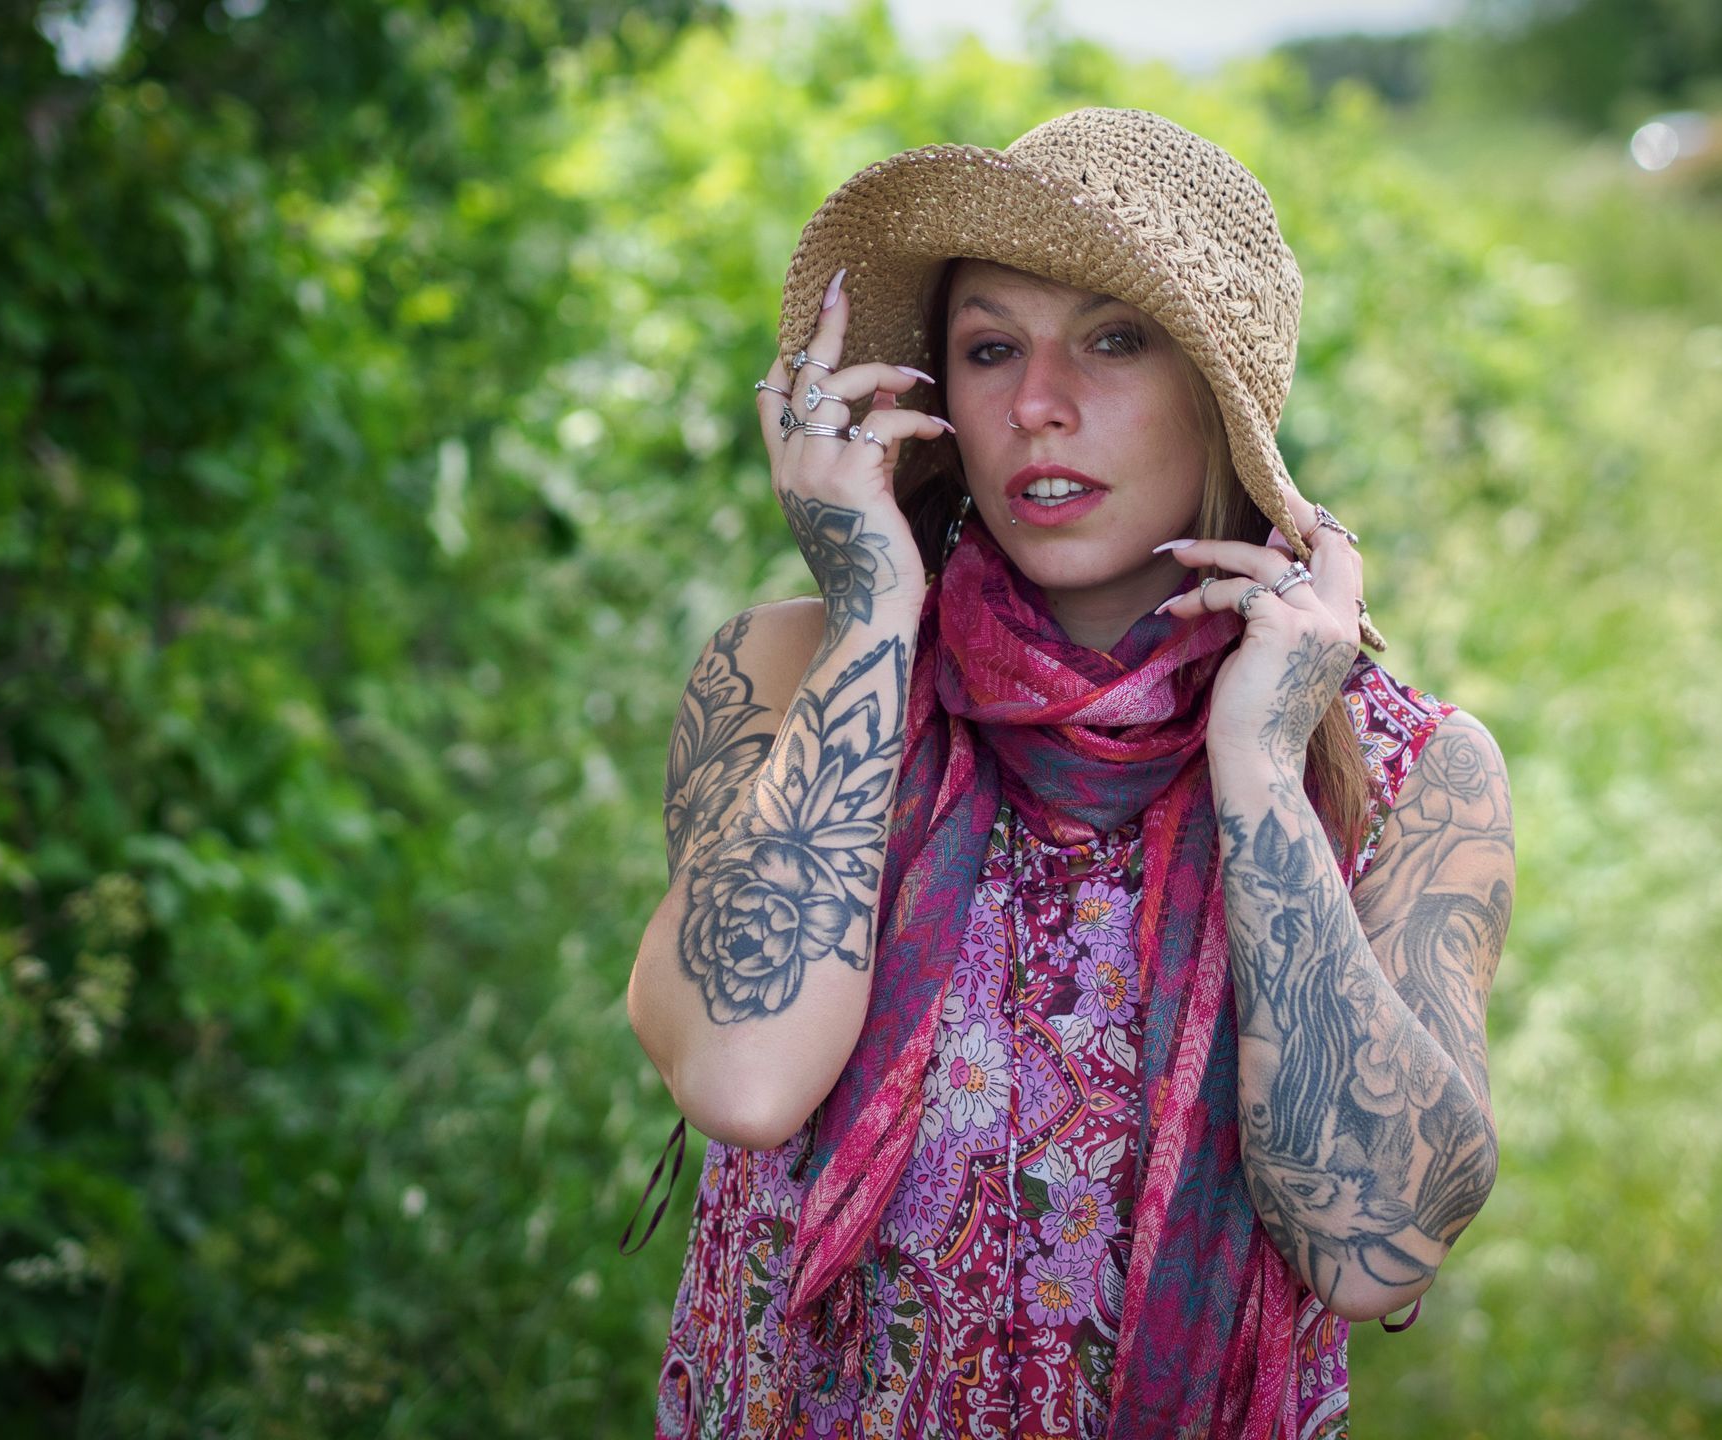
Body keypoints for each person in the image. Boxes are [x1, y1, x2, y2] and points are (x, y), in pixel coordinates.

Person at [626, 107, 1514, 1440]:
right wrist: (872, 609)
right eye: (990, 347)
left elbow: (1375, 1245)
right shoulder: (785, 676)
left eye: (1112, 339)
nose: (1038, 403)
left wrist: (1264, 768)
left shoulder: (1407, 772)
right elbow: (742, 1079)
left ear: (1219, 400)